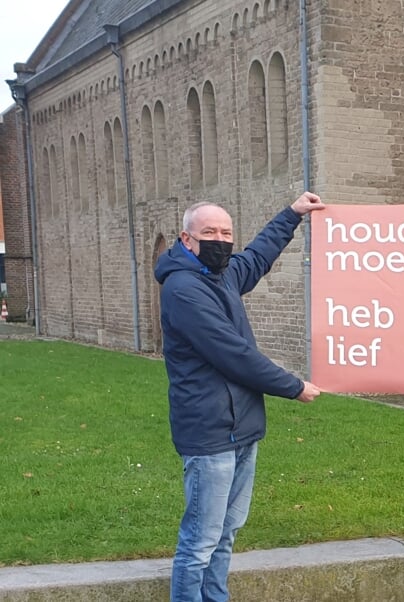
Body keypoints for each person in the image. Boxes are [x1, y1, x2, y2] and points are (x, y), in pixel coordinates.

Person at [154, 192, 325, 602]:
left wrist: (293, 214)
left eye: (226, 232)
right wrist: (293, 385)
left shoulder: (222, 273)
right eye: (209, 231)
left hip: (241, 429)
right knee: (200, 541)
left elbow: (257, 257)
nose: (220, 239)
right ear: (186, 238)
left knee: (226, 533)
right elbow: (234, 354)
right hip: (209, 433)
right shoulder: (182, 289)